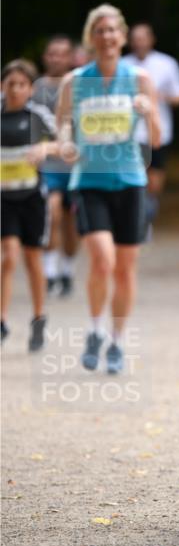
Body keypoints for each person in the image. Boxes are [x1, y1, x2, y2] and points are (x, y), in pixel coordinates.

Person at [57, 4, 160, 374]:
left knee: (124, 269)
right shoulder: (74, 82)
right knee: (103, 260)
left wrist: (148, 111)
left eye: (113, 30)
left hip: (130, 180)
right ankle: (95, 329)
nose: (107, 36)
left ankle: (116, 341)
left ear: (122, 35)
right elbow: (63, 127)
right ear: (91, 37)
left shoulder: (139, 79)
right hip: (89, 181)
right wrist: (67, 144)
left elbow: (158, 138)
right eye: (99, 30)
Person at [1, 59, 59, 350]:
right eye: (10, 84)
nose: (15, 89)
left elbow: (65, 144)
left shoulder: (38, 115)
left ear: (30, 88)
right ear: (2, 86)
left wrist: (45, 147)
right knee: (8, 256)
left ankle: (38, 319)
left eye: (21, 84)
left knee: (32, 258)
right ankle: (1, 321)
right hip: (3, 199)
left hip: (32, 198)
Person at [126, 23, 179, 230]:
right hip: (130, 133)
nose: (139, 42)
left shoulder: (166, 63)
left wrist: (161, 97)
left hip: (159, 130)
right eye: (135, 38)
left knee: (154, 178)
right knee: (136, 175)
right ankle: (138, 215)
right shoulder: (122, 65)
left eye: (143, 38)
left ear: (151, 40)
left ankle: (149, 206)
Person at [33, 35, 79, 295]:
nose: (56, 58)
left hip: (75, 166)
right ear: (45, 56)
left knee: (72, 223)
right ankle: (49, 273)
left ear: (70, 57)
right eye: (51, 53)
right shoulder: (35, 87)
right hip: (47, 164)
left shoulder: (81, 84)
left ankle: (68, 271)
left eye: (61, 53)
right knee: (51, 214)